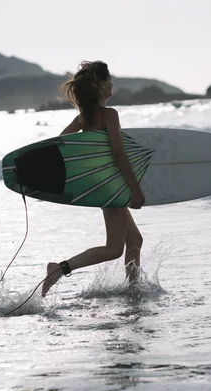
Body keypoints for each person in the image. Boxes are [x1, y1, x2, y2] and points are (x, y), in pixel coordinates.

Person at [41, 61, 145, 297]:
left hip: (104, 184)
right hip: (113, 187)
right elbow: (118, 154)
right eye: (109, 79)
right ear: (100, 85)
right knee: (114, 249)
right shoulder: (109, 115)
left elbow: (60, 144)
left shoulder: (83, 119)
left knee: (135, 240)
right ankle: (59, 269)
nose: (112, 83)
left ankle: (133, 288)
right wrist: (135, 189)